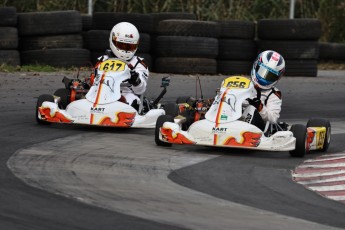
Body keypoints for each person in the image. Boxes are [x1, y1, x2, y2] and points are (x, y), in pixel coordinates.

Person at [90, 22, 149, 110]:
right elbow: (94, 82)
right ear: (112, 40)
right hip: (102, 92)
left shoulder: (138, 63)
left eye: (129, 47)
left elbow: (140, 90)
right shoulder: (102, 60)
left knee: (131, 101)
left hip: (127, 93)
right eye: (121, 45)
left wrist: (135, 79)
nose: (125, 50)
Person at [243, 50, 285, 131]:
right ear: (256, 66)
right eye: (262, 72)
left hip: (256, 129)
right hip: (232, 119)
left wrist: (260, 107)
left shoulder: (274, 94)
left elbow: (273, 118)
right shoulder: (242, 83)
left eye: (270, 76)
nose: (264, 78)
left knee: (251, 108)